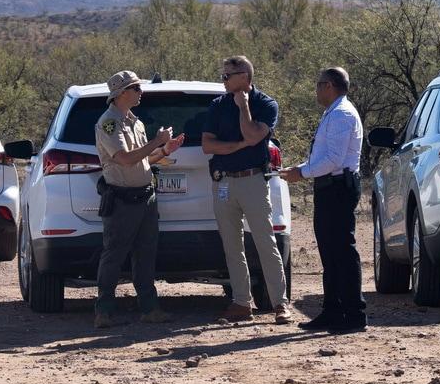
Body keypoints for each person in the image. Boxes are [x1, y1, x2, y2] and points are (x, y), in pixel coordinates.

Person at [201, 56, 292, 323]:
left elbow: (253, 135)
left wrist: (244, 109)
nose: (223, 80)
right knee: (232, 246)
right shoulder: (218, 105)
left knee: (265, 242)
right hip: (224, 182)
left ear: (244, 76)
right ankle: (242, 302)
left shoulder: (265, 104)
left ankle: (280, 304)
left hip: (252, 180)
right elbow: (208, 145)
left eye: (227, 76)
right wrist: (239, 146)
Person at [92, 70, 185, 329]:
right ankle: (104, 311)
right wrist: (157, 140)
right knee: (113, 256)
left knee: (146, 254)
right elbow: (124, 158)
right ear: (122, 93)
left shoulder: (137, 122)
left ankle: (149, 308)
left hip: (146, 197)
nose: (140, 92)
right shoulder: (108, 123)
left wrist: (165, 150)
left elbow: (143, 159)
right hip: (121, 199)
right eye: (136, 88)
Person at [280, 66, 367, 332]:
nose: (316, 89)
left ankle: (353, 315)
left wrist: (302, 173)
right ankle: (333, 311)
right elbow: (323, 157)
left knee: (342, 250)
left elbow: (333, 160)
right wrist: (300, 168)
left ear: (329, 86)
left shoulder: (341, 114)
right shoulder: (333, 113)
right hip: (330, 187)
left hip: (338, 188)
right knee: (330, 253)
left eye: (319, 84)